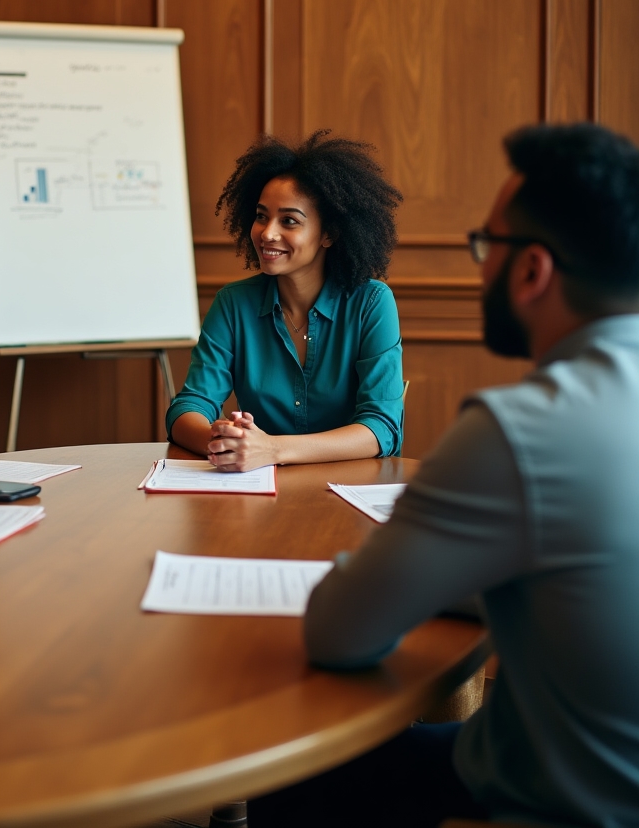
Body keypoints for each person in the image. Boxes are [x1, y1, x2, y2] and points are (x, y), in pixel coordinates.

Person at [248, 122, 639, 828]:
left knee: (293, 760)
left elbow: (338, 632)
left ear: (532, 271)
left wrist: (405, 573)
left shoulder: (515, 433)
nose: (479, 267)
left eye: (485, 247)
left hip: (553, 802)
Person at [166, 131, 405, 470]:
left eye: (289, 221)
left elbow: (382, 428)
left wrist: (273, 450)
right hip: (257, 490)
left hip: (349, 489)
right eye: (262, 216)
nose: (267, 233)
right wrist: (225, 442)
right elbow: (189, 406)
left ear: (329, 234)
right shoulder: (233, 304)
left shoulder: (371, 303)